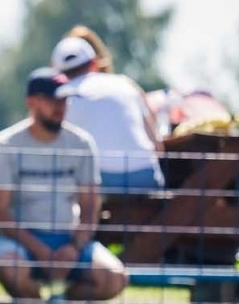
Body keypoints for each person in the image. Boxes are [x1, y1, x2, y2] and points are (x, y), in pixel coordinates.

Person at [0, 69, 128, 304]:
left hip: (68, 238)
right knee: (10, 268)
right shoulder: (6, 144)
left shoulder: (82, 143)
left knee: (114, 278)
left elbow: (90, 205)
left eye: (65, 100)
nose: (60, 107)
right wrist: (39, 249)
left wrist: (73, 247)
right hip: (21, 240)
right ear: (32, 102)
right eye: (53, 100)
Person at [51, 36, 162, 196]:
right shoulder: (126, 84)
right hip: (145, 176)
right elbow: (158, 146)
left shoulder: (60, 98)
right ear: (94, 63)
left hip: (98, 184)